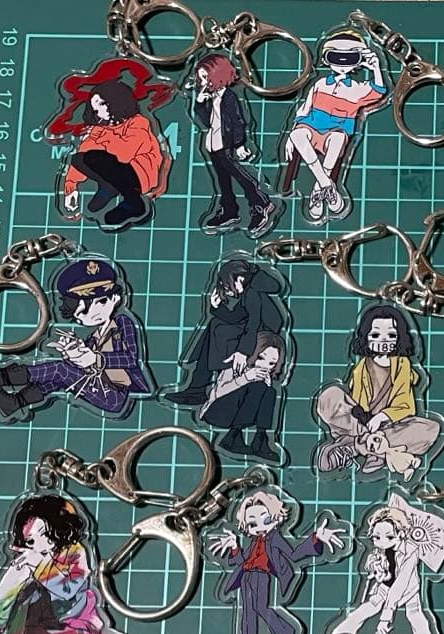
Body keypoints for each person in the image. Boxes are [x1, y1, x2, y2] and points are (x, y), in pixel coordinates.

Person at [0, 495, 133, 634]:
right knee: (26, 594)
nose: (39, 545)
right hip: (34, 616)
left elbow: (68, 590)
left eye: (45, 535)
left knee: (31, 593)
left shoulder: (76, 552)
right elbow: (6, 589)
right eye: (31, 541)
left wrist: (39, 568)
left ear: (60, 530)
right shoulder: (29, 556)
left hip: (70, 609)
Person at [0, 259, 151, 419]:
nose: (88, 316)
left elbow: (130, 358)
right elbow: (81, 364)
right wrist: (72, 351)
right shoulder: (94, 337)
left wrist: (95, 358)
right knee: (60, 377)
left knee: (60, 370)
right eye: (80, 313)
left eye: (100, 302)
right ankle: (14, 403)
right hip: (98, 386)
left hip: (115, 395)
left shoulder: (122, 323)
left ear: (115, 298)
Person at [208, 489, 345, 634]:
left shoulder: (275, 539)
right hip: (246, 579)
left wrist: (316, 537)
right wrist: (235, 547)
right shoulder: (252, 543)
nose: (259, 527)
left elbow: (294, 554)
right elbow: (241, 562)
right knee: (247, 623)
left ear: (276, 518)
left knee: (262, 609)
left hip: (262, 578)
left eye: (266, 520)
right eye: (252, 523)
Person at [327, 504, 444, 634]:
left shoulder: (411, 552)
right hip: (384, 588)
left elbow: (400, 584)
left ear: (401, 534)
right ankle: (343, 633)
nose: (381, 542)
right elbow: (380, 575)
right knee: (368, 607)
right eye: (376, 537)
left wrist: (385, 618)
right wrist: (375, 570)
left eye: (388, 537)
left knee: (419, 621)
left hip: (408, 593)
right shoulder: (379, 550)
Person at [314, 305, 440, 476]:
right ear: (366, 337)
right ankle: (375, 448)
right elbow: (355, 404)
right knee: (330, 396)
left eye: (391, 335)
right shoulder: (361, 367)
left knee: (430, 429)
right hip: (361, 424)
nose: (383, 341)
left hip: (390, 423)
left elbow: (405, 404)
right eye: (375, 335)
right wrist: (364, 423)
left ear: (400, 337)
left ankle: (357, 447)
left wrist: (382, 417)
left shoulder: (402, 364)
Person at [282, 29, 388, 221]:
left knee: (338, 138)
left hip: (334, 136)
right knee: (298, 134)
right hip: (310, 131)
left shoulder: (357, 89)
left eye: (350, 59)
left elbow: (379, 90)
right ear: (326, 58)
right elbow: (304, 110)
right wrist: (292, 135)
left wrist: (376, 68)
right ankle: (327, 186)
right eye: (336, 57)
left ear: (358, 61)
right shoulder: (320, 84)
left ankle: (318, 189)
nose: (342, 64)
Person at [57, 66, 170, 229]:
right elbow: (84, 152)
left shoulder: (138, 122)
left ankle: (134, 202)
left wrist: (102, 140)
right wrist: (70, 186)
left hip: (140, 175)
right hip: (116, 171)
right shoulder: (99, 129)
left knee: (96, 157)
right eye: (95, 109)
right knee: (79, 159)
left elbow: (124, 153)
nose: (100, 112)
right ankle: (109, 187)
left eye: (102, 104)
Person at [166, 260, 285, 407]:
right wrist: (217, 307)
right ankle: (197, 388)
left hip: (263, 336)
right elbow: (235, 318)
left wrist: (243, 352)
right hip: (252, 331)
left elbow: (253, 325)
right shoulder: (249, 292)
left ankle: (197, 389)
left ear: (239, 279)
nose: (226, 290)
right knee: (215, 326)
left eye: (227, 285)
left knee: (216, 330)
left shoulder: (253, 294)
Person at [192, 54, 277, 237]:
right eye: (201, 78)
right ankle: (229, 210)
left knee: (240, 175)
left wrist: (239, 144)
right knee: (223, 180)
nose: (203, 82)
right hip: (213, 144)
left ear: (218, 74)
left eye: (206, 77)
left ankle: (261, 203)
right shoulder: (211, 97)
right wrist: (199, 103)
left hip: (226, 143)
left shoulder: (229, 96)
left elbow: (238, 122)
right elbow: (206, 122)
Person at [199, 331, 286, 462]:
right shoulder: (235, 366)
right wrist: (245, 378)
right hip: (215, 413)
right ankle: (233, 437)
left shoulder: (264, 376)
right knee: (258, 387)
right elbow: (217, 393)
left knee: (270, 392)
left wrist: (267, 385)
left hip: (240, 416)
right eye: (260, 358)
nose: (264, 366)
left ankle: (260, 438)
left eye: (271, 364)